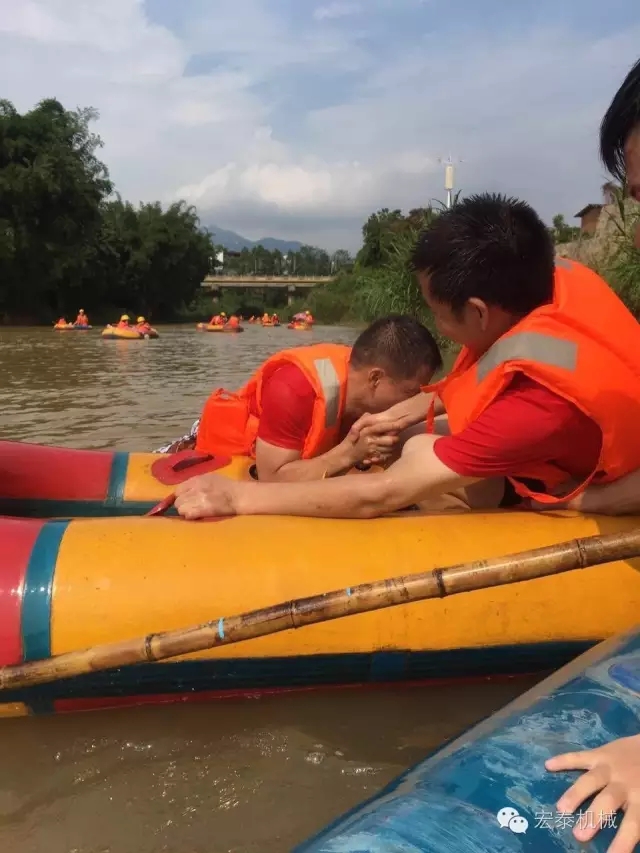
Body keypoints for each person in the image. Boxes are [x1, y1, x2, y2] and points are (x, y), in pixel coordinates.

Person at [173, 192, 640, 519]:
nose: (437, 326)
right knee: (413, 435)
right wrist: (400, 413)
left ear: (478, 312)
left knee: (418, 448)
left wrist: (238, 499)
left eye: (438, 314)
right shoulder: (556, 281)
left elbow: (381, 495)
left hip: (609, 476)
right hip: (607, 442)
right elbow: (484, 373)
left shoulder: (535, 404)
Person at [158, 315, 442, 481]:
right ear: (375, 379)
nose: (413, 400)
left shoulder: (359, 378)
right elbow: (272, 478)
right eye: (410, 392)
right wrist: (350, 454)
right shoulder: (294, 388)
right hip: (238, 450)